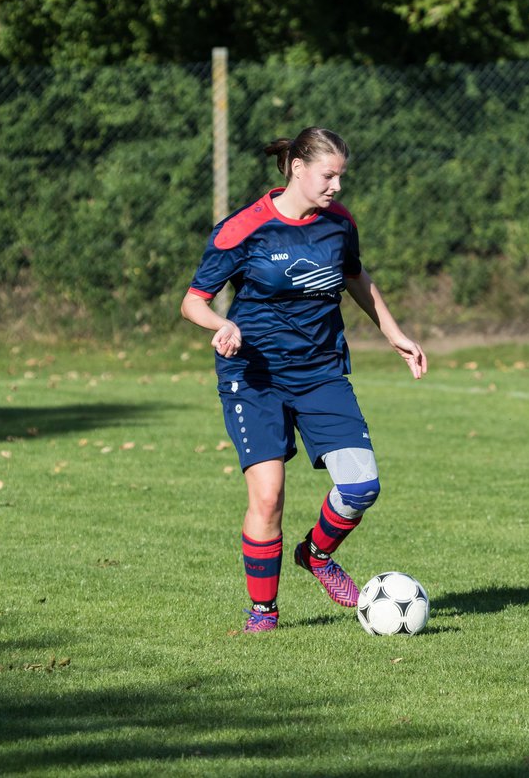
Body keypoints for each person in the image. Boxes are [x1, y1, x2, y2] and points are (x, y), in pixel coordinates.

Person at [180, 127, 427, 633]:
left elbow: (356, 278)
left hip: (321, 372)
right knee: (268, 497)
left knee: (361, 486)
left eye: (341, 176)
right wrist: (222, 325)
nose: (337, 186)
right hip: (254, 375)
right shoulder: (243, 228)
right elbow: (192, 301)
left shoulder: (339, 224)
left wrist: (395, 334)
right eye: (328, 175)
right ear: (297, 168)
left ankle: (316, 555)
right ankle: (263, 614)